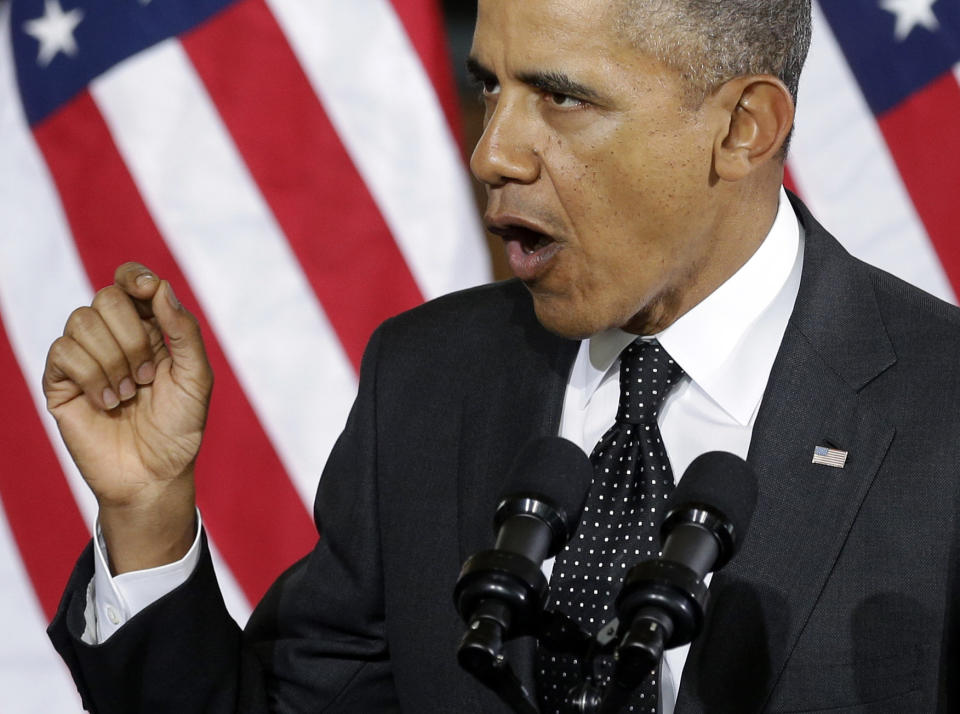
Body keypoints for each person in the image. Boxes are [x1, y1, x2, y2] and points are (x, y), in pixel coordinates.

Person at [44, 0, 960, 712]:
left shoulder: (940, 411)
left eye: (561, 97)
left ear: (743, 128)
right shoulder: (429, 380)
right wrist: (148, 513)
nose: (491, 154)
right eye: (490, 87)